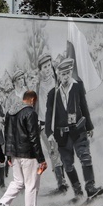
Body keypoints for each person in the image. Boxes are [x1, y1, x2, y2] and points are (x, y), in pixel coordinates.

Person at [45, 58, 103, 201]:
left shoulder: (77, 87)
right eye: (63, 74)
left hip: (78, 130)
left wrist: (89, 126)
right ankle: (78, 192)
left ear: (71, 72)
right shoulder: (53, 94)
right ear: (58, 74)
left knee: (85, 157)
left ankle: (90, 188)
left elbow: (84, 107)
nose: (66, 76)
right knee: (68, 164)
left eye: (68, 73)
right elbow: (49, 114)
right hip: (62, 134)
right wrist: (49, 132)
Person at [0, 90, 47, 206]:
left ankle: (1, 204)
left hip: (15, 154)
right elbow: (34, 138)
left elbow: (7, 135)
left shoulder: (10, 112)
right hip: (29, 155)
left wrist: (8, 154)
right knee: (31, 185)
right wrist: (41, 159)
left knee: (17, 182)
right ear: (33, 100)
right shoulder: (30, 113)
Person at [36, 53, 68, 194]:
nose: (47, 69)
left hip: (59, 121)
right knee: (53, 151)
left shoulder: (57, 80)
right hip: (45, 124)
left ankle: (66, 178)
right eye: (44, 67)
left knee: (62, 149)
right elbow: (37, 106)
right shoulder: (38, 86)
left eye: (49, 66)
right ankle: (61, 182)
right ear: (40, 70)